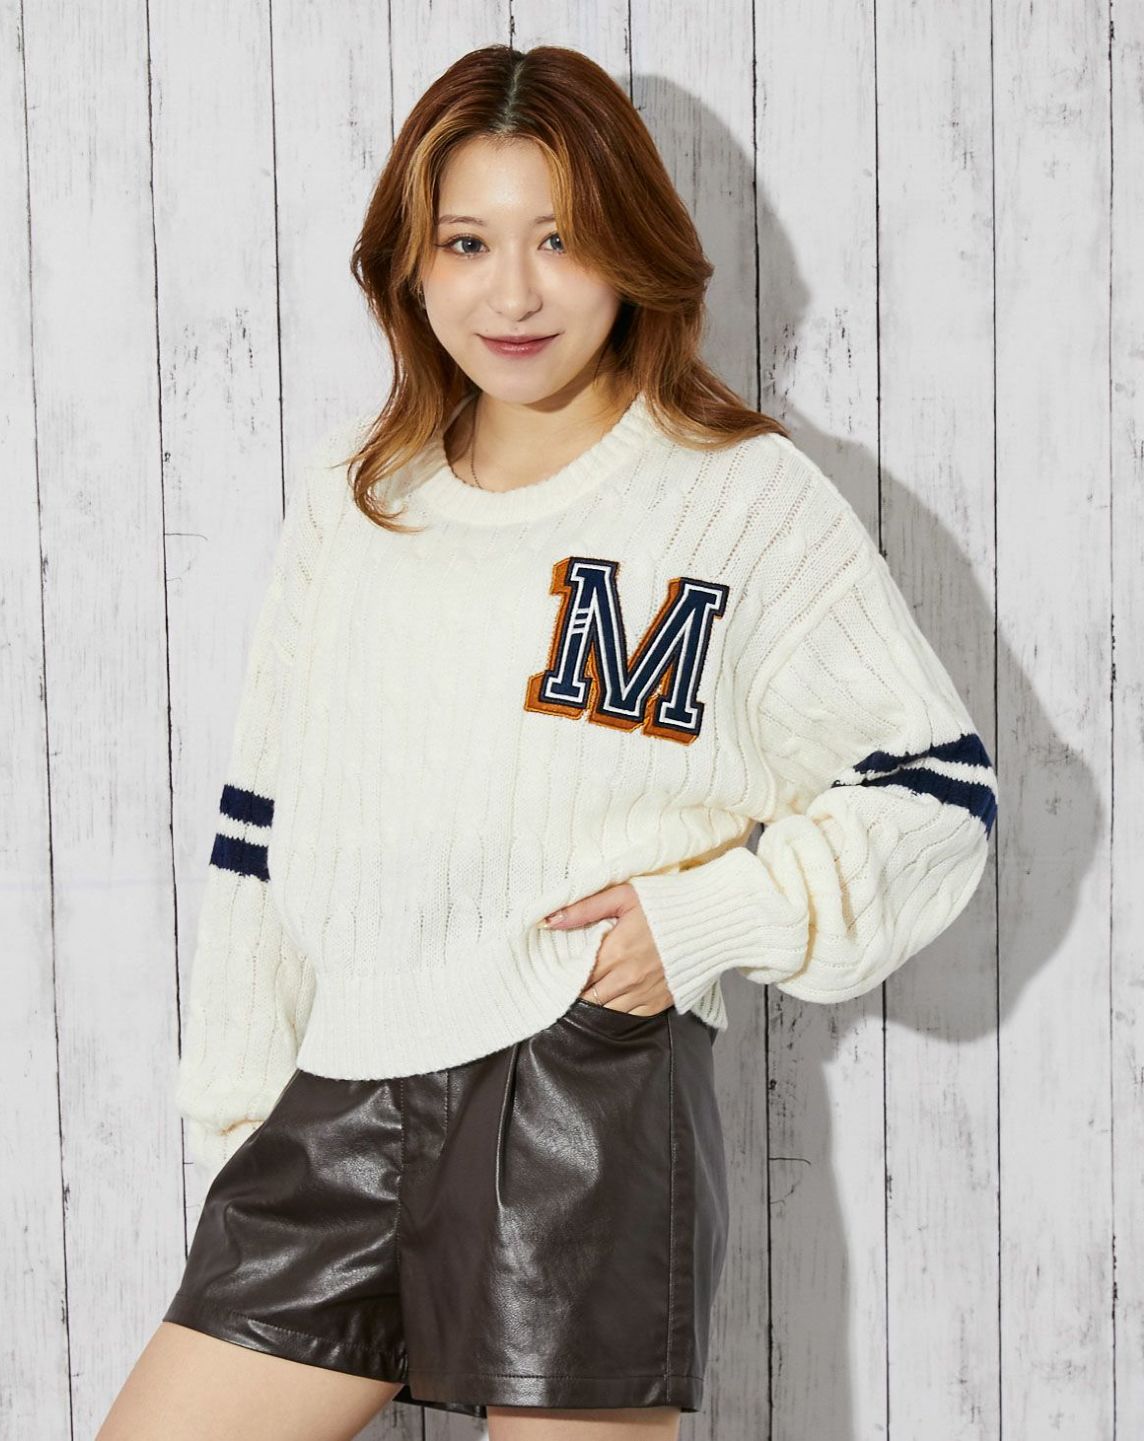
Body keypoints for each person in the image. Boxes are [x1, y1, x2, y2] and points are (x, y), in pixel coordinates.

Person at [97, 41, 998, 1441]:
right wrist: (237, 1120)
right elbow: (262, 828)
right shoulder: (358, 496)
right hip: (334, 1100)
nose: (512, 293)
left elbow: (939, 787)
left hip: (578, 1091)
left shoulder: (740, 501)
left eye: (560, 239)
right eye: (467, 242)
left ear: (631, 250)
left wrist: (708, 918)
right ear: (411, 263)